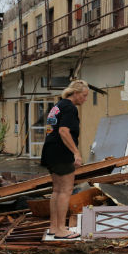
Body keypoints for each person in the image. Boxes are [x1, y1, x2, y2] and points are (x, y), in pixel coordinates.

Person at [40, 80, 89, 239]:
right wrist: (76, 152)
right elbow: (63, 131)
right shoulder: (70, 108)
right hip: (61, 152)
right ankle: (61, 229)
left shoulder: (58, 106)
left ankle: (54, 227)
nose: (85, 99)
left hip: (50, 151)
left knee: (57, 190)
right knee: (66, 190)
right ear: (75, 93)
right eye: (84, 95)